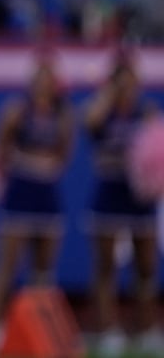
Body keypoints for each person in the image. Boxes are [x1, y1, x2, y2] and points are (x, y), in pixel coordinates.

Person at [0, 54, 76, 352]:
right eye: (40, 78)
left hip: (47, 193)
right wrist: (24, 161)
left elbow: (64, 153)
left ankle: (41, 330)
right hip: (20, 190)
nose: (44, 84)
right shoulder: (17, 110)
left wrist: (48, 165)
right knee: (6, 265)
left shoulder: (62, 114)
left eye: (49, 78)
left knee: (44, 271)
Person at [83, 50, 162, 355]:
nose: (128, 84)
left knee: (145, 267)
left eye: (132, 78)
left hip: (139, 196)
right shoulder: (101, 108)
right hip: (109, 191)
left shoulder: (146, 111)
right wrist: (108, 95)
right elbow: (90, 124)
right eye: (121, 78)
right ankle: (107, 328)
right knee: (106, 266)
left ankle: (146, 327)